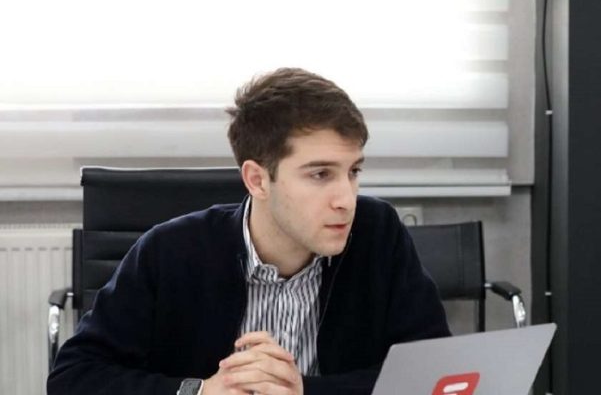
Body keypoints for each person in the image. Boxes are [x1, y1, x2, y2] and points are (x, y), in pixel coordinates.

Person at [47, 68, 450, 395]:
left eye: (354, 171)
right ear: (257, 180)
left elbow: (435, 373)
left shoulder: (378, 234)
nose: (346, 198)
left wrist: (305, 392)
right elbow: (73, 378)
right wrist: (200, 392)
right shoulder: (170, 251)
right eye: (320, 174)